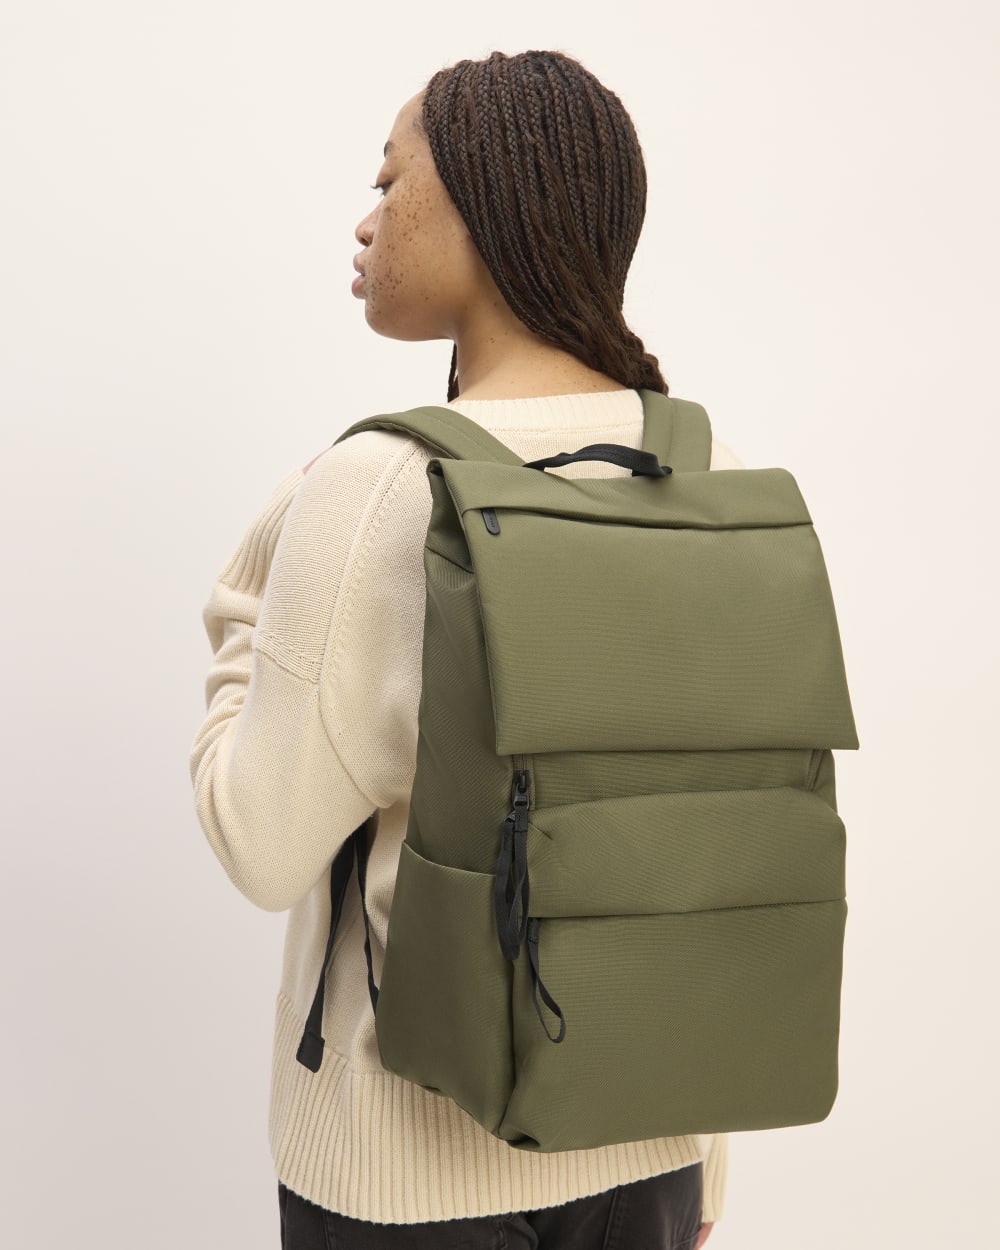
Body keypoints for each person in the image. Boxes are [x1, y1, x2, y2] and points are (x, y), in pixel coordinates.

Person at [190, 49, 745, 1249]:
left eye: (390, 181)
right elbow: (704, 834)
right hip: (648, 1147)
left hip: (406, 1180)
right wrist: (701, 1154)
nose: (366, 218)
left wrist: (245, 604)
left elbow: (257, 841)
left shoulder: (374, 482)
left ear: (488, 200)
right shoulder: (696, 467)